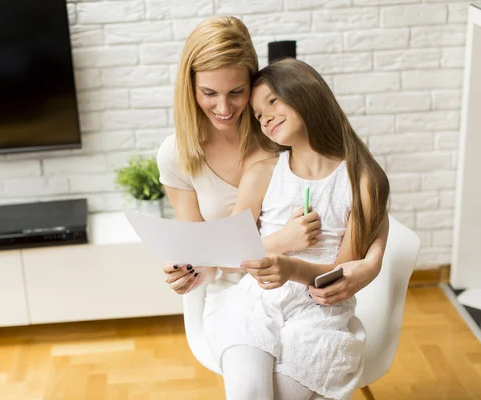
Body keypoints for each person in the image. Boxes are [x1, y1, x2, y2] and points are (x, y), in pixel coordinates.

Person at [156, 16, 389, 398]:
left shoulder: (278, 138)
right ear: (190, 88)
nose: (224, 107)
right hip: (236, 291)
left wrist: (373, 260)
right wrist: (188, 271)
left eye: (237, 92)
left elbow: (361, 190)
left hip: (311, 297)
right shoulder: (180, 154)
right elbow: (204, 252)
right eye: (208, 93)